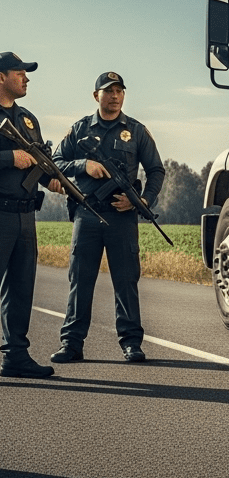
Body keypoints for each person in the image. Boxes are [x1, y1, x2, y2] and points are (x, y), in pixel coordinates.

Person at [50, 72, 165, 364]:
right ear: (96, 96)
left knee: (126, 281)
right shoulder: (79, 130)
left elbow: (156, 171)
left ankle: (131, 343)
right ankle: (72, 344)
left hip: (122, 218)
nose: (114, 96)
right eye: (108, 91)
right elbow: (56, 163)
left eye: (119, 91)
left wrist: (142, 200)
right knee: (80, 280)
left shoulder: (137, 131)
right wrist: (83, 165)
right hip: (87, 215)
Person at [0, 52, 63, 379]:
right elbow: (18, 158)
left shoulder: (27, 119)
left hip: (25, 216)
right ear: (1, 77)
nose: (26, 78)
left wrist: (51, 179)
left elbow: (36, 161)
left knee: (21, 289)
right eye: (20, 72)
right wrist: (10, 158)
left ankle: (16, 356)